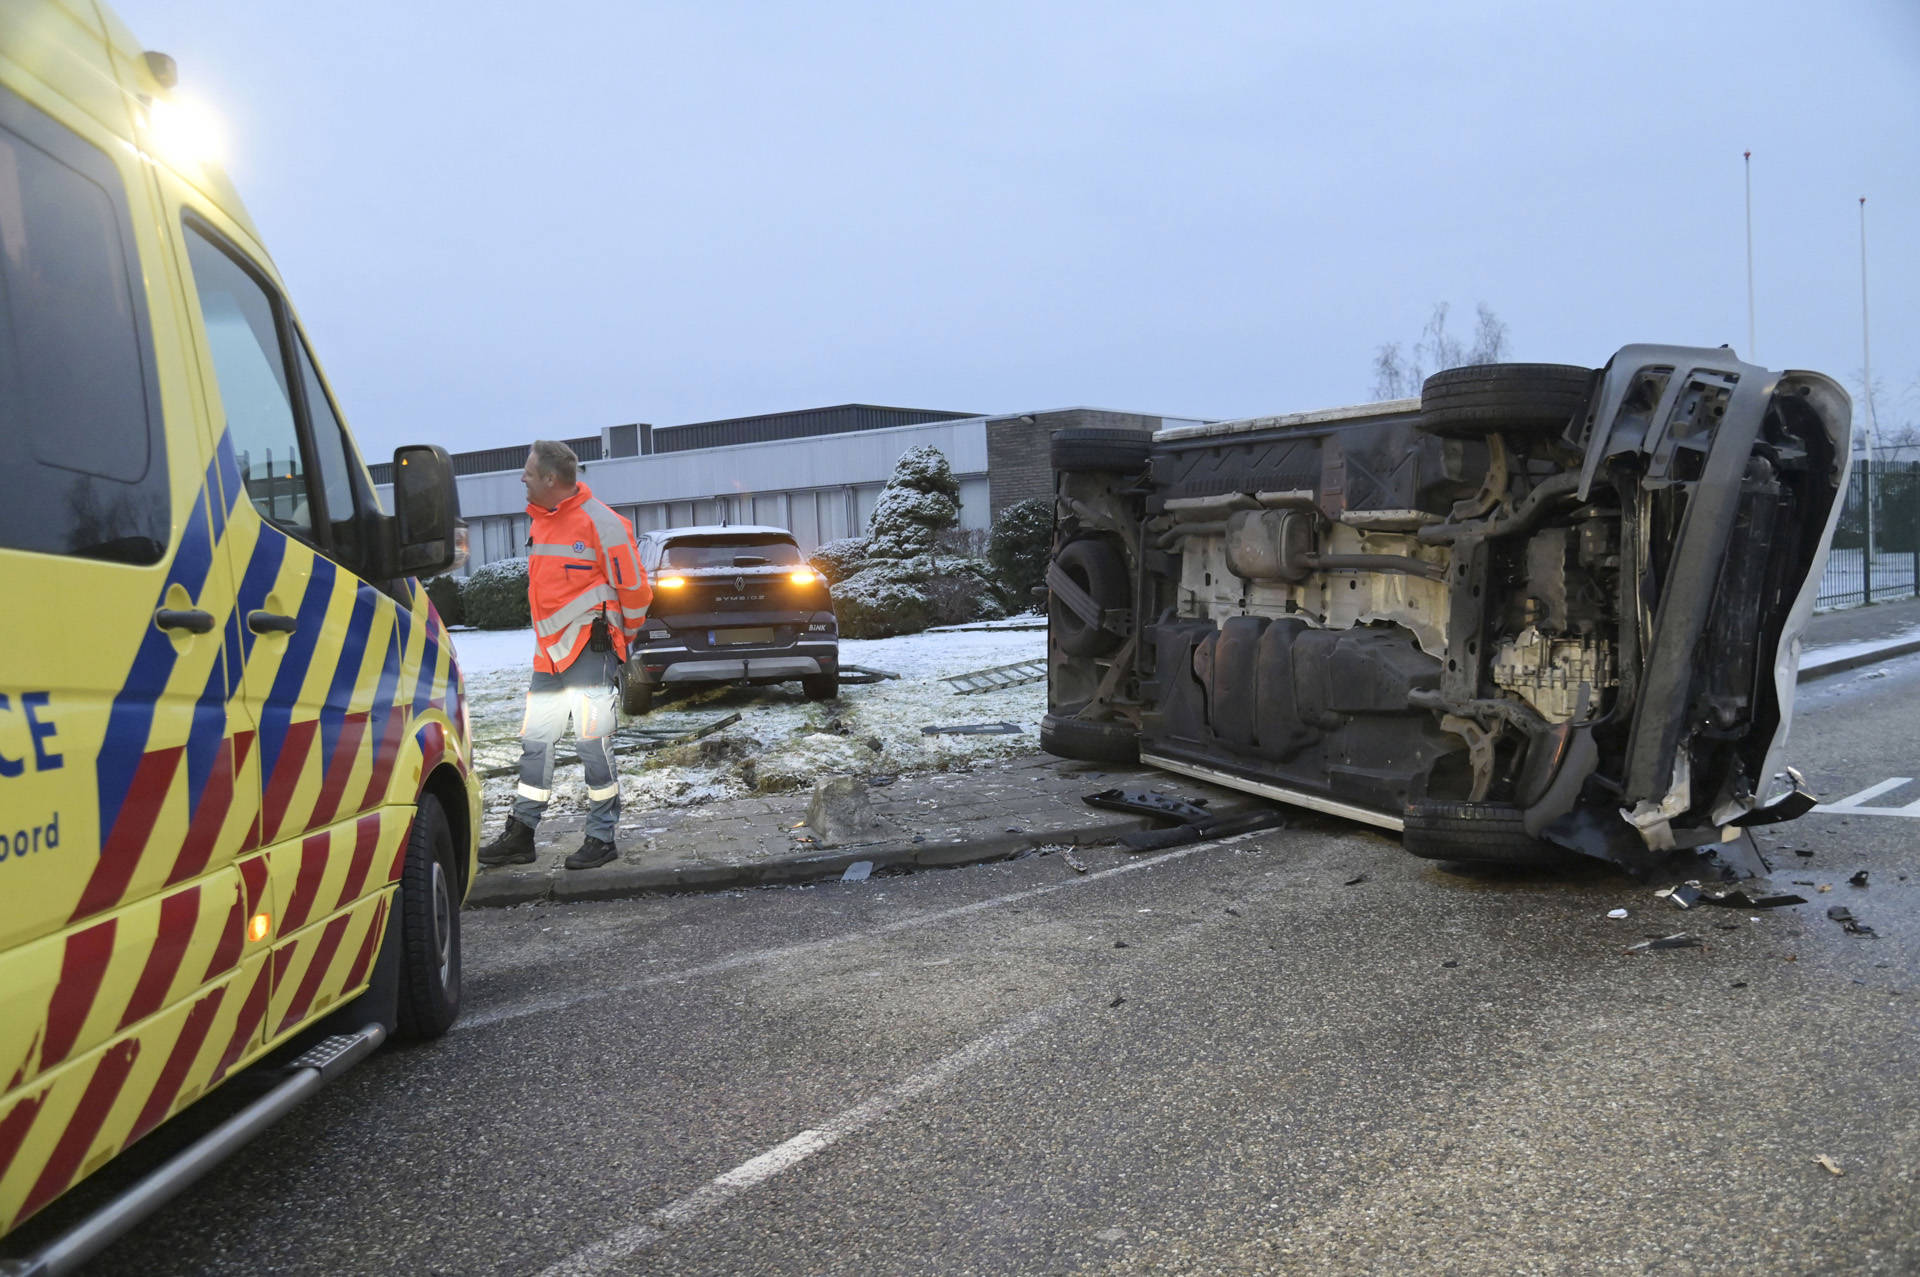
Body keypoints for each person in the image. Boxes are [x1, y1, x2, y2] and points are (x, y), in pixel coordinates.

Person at [478, 440, 651, 870]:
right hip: (549, 657)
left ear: (551, 479)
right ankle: (521, 834)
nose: (522, 479)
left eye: (529, 473)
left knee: (594, 744)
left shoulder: (603, 524)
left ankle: (601, 836)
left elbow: (637, 592)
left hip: (591, 652)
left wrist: (619, 640)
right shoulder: (540, 523)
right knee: (535, 743)